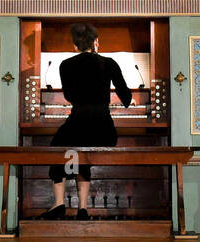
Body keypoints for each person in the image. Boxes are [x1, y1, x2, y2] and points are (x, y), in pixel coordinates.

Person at [39, 23, 132, 220]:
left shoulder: (66, 65)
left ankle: (58, 204)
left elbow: (69, 95)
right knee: (82, 156)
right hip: (103, 129)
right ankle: (82, 209)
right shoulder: (109, 62)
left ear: (75, 46)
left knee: (57, 151)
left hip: (78, 123)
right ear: (96, 42)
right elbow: (126, 97)